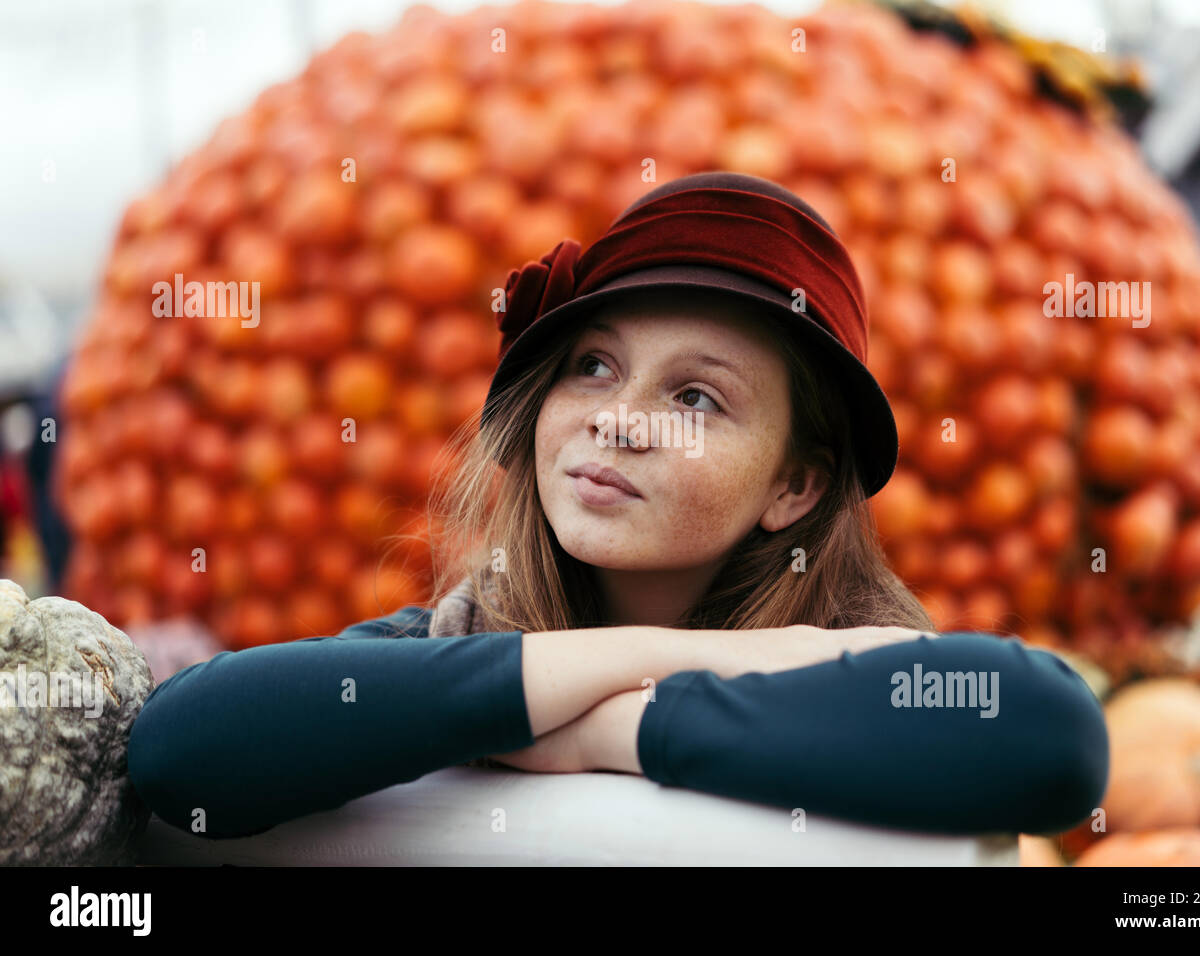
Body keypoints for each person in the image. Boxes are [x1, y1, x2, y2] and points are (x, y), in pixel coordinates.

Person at [127, 171, 1108, 842]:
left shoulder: (849, 664)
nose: (616, 422)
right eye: (592, 366)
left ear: (793, 485)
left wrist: (602, 730)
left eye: (695, 397)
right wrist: (691, 660)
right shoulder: (459, 638)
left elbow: (1052, 734)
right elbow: (180, 750)